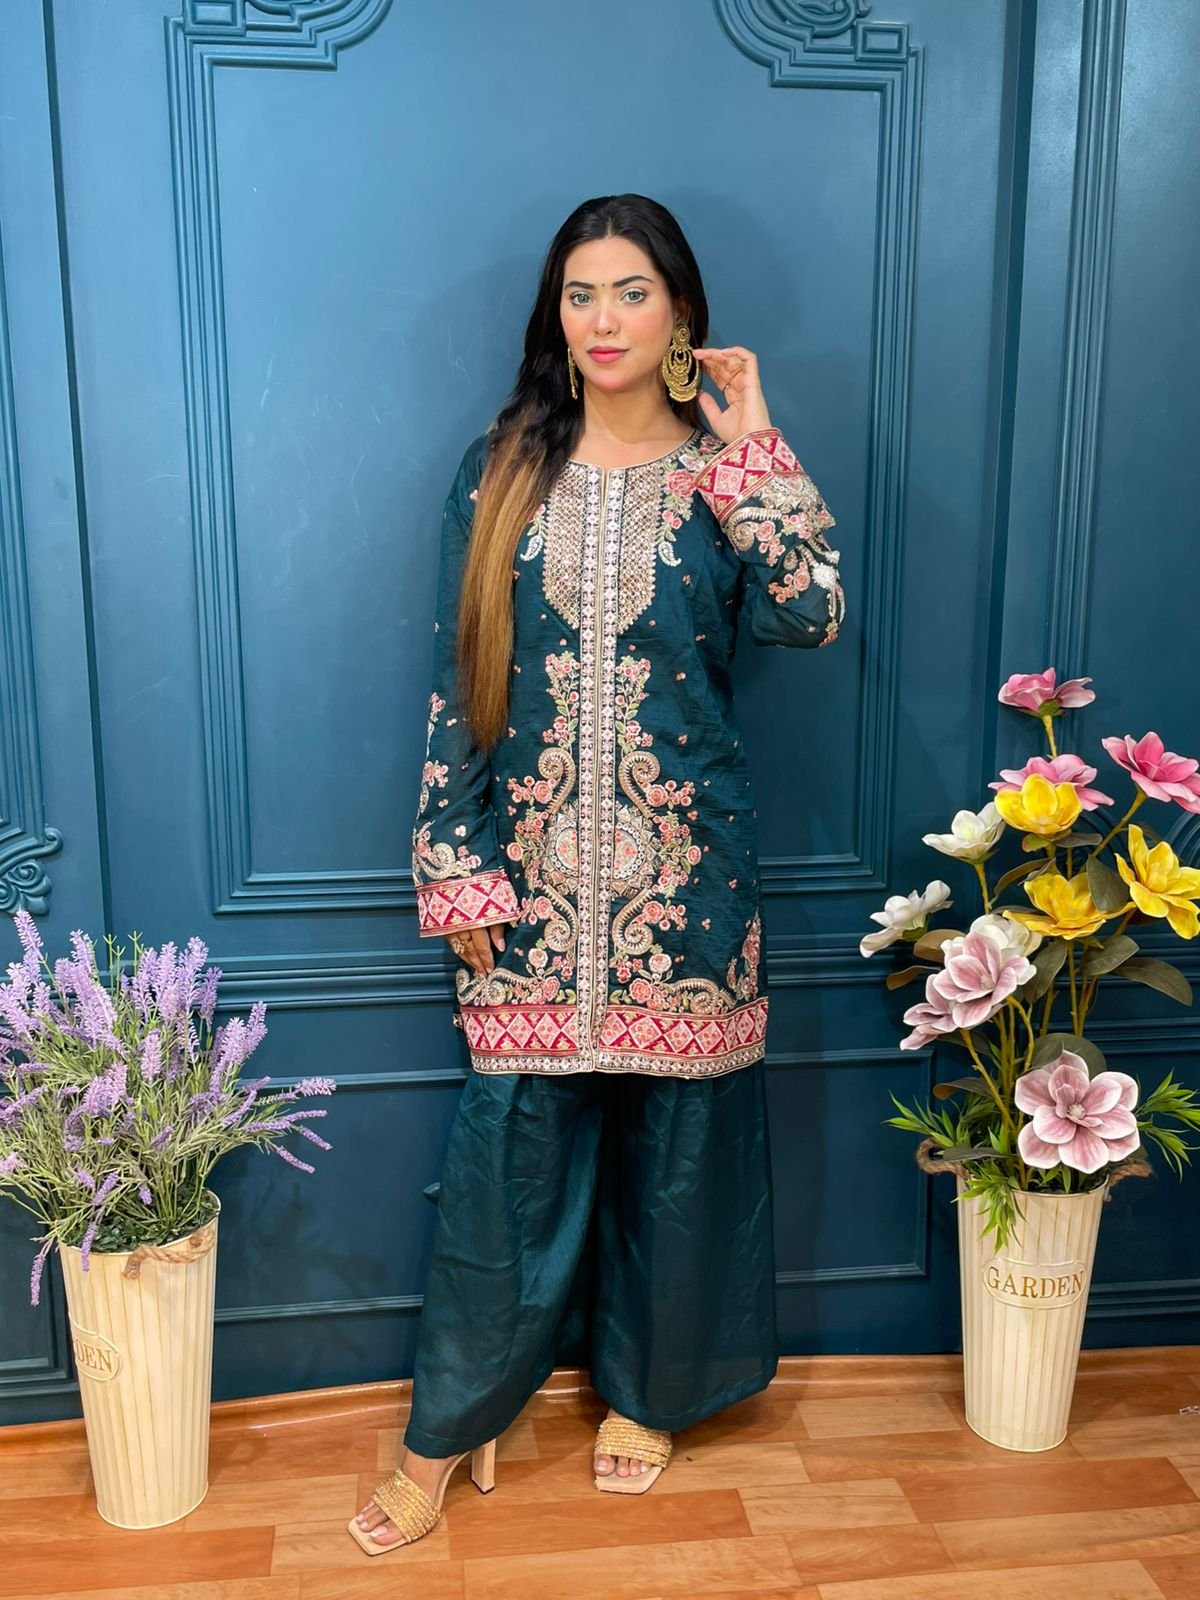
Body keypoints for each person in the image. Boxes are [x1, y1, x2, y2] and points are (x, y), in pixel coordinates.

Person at [349, 193, 846, 1556]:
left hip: (690, 880)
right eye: (581, 293)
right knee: (507, 1154)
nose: (604, 319)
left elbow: (812, 611)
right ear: (554, 315)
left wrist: (752, 442)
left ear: (682, 312)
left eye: (632, 291)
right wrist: (455, 863)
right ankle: (450, 1425)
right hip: (524, 881)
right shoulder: (502, 469)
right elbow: (458, 674)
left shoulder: (721, 474)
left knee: (683, 1152)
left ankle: (651, 1394)